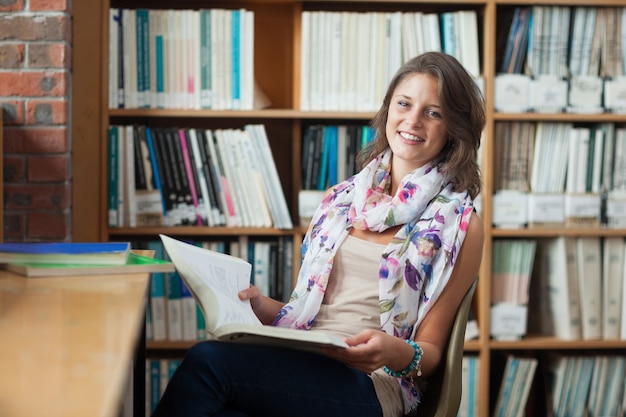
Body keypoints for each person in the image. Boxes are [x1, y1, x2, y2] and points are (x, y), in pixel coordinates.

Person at [152, 51, 485, 417]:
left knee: (208, 362)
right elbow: (314, 316)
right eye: (404, 104)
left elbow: (433, 354)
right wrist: (263, 308)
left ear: (453, 127)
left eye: (433, 112)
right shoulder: (340, 200)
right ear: (388, 108)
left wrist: (392, 350)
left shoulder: (459, 223)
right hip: (305, 362)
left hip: (374, 383)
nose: (413, 120)